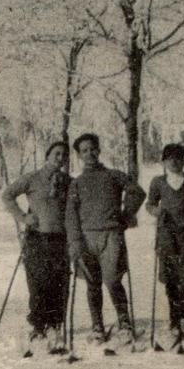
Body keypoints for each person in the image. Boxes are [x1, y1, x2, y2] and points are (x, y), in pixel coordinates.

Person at [65, 133, 147, 346]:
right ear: (79, 155)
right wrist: (74, 242)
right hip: (86, 238)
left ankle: (125, 324)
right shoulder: (76, 183)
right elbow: (71, 214)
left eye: (92, 149)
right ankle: (97, 326)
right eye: (84, 151)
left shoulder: (113, 175)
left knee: (112, 280)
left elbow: (137, 192)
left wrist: (126, 214)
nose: (89, 153)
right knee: (92, 284)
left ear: (99, 150)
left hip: (111, 235)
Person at [2, 141, 71, 353]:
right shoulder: (32, 178)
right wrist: (23, 217)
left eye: (64, 155)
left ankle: (54, 324)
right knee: (38, 281)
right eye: (56, 154)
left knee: (59, 283)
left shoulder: (69, 181)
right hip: (37, 238)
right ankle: (38, 326)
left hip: (61, 239)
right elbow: (7, 195)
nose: (60, 158)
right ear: (47, 155)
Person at [145, 143, 184, 348]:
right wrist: (155, 211)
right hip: (167, 235)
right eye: (169, 158)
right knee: (172, 279)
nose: (174, 161)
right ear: (163, 162)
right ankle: (175, 320)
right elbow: (150, 203)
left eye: (178, 157)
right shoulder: (158, 182)